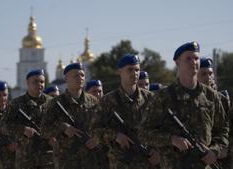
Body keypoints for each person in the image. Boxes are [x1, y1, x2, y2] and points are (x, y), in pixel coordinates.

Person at [140, 41, 229, 169]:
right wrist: (172, 139)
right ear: (177, 62)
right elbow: (144, 133)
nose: (194, 62)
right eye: (188, 58)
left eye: (196, 58)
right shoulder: (163, 97)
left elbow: (222, 130)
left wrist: (215, 150)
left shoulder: (211, 96)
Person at [91, 54, 159, 169]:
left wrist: (159, 153)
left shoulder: (150, 98)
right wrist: (115, 135)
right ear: (120, 72)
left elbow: (163, 128)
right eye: (130, 69)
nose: (135, 73)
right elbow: (94, 131)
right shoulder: (108, 100)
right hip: (121, 162)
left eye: (137, 69)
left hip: (148, 161)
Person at [41, 63, 101, 169]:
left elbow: (103, 126)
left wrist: (97, 138)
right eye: (76, 75)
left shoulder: (93, 101)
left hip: (91, 159)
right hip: (67, 160)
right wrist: (63, 128)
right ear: (66, 78)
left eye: (82, 75)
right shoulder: (55, 103)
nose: (80, 78)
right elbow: (44, 130)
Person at [0, 69, 54, 169]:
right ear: (28, 83)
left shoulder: (52, 102)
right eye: (35, 82)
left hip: (48, 158)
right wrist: (23, 130)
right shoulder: (16, 104)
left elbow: (61, 123)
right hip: (26, 158)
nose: (39, 84)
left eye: (42, 82)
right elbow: (2, 126)